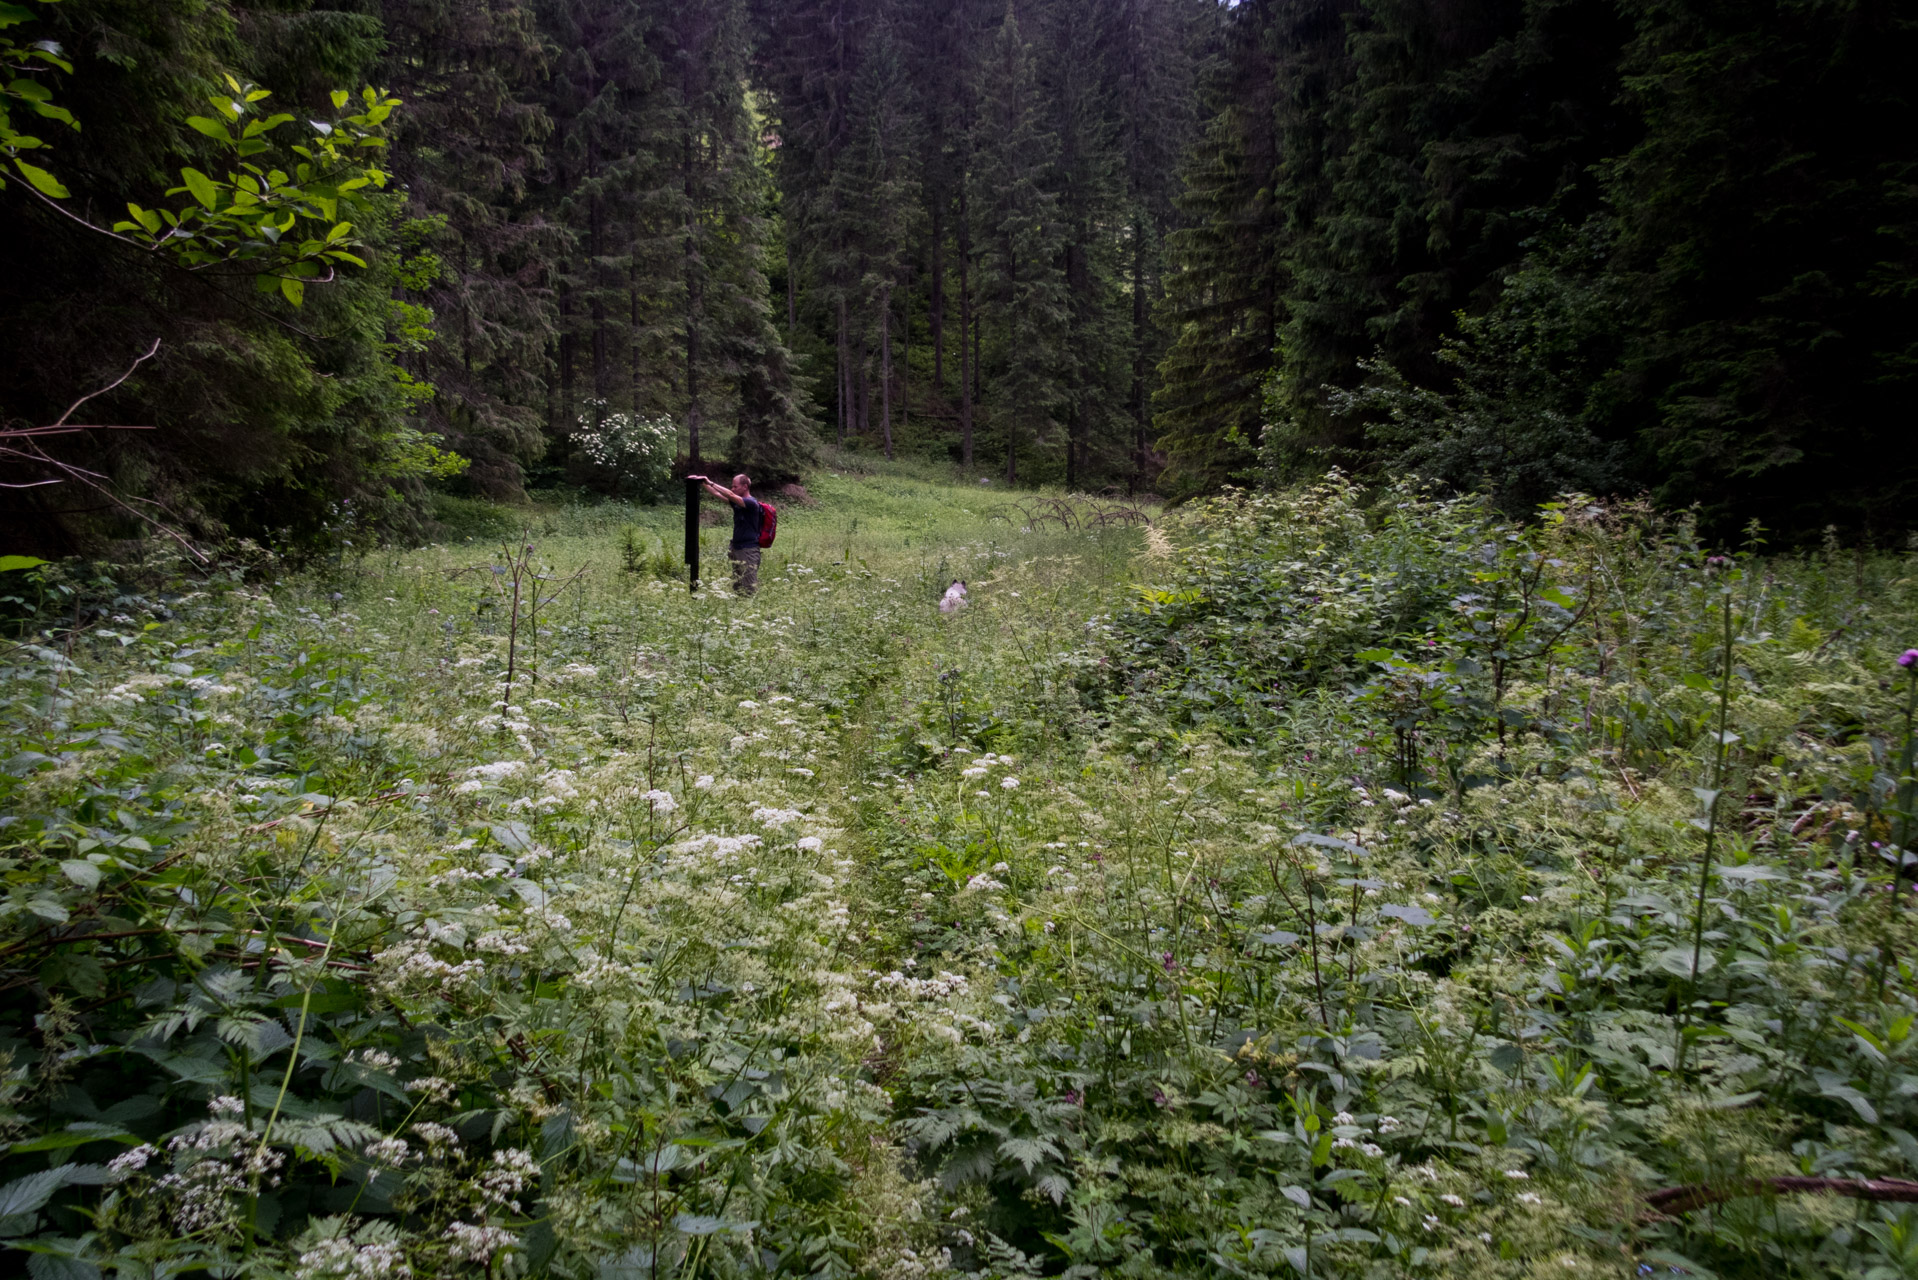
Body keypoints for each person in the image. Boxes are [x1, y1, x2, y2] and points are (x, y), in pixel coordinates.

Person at [690, 472, 763, 596]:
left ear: (745, 486)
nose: (732, 489)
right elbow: (717, 493)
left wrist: (710, 482)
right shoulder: (738, 503)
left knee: (749, 588)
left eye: (735, 487)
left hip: (749, 550)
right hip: (737, 549)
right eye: (732, 487)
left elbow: (729, 494)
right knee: (738, 585)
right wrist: (702, 483)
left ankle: (751, 610)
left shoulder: (751, 503)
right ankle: (738, 611)